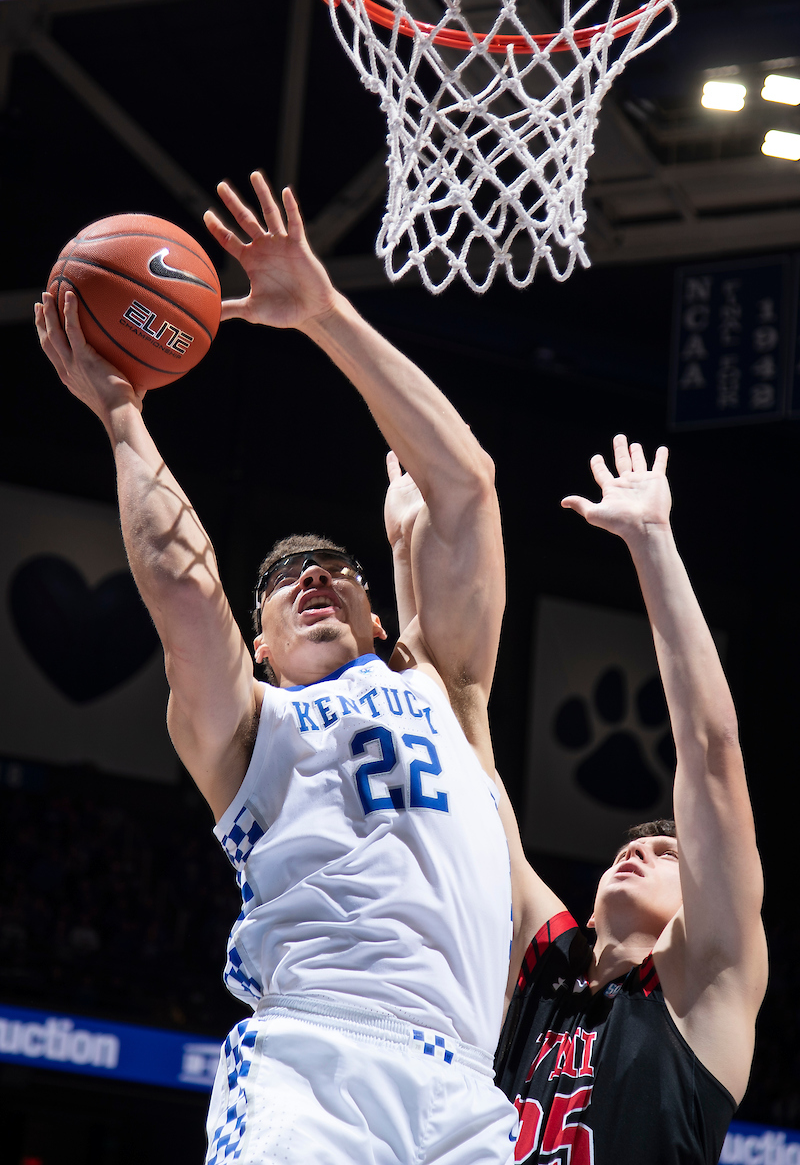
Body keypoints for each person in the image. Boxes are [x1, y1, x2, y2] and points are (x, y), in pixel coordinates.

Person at [35, 173, 518, 1165]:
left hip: (470, 1090)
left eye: (337, 569)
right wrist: (122, 413)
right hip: (316, 1064)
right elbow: (182, 584)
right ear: (256, 645)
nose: (312, 578)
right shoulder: (247, 728)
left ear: (378, 615)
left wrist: (324, 313)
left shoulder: (444, 685)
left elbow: (466, 486)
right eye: (281, 582)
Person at [491, 435, 769, 1164]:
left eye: (665, 852)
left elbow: (710, 750)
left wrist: (651, 542)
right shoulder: (545, 967)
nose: (637, 852)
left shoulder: (706, 987)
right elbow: (471, 770)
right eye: (629, 848)